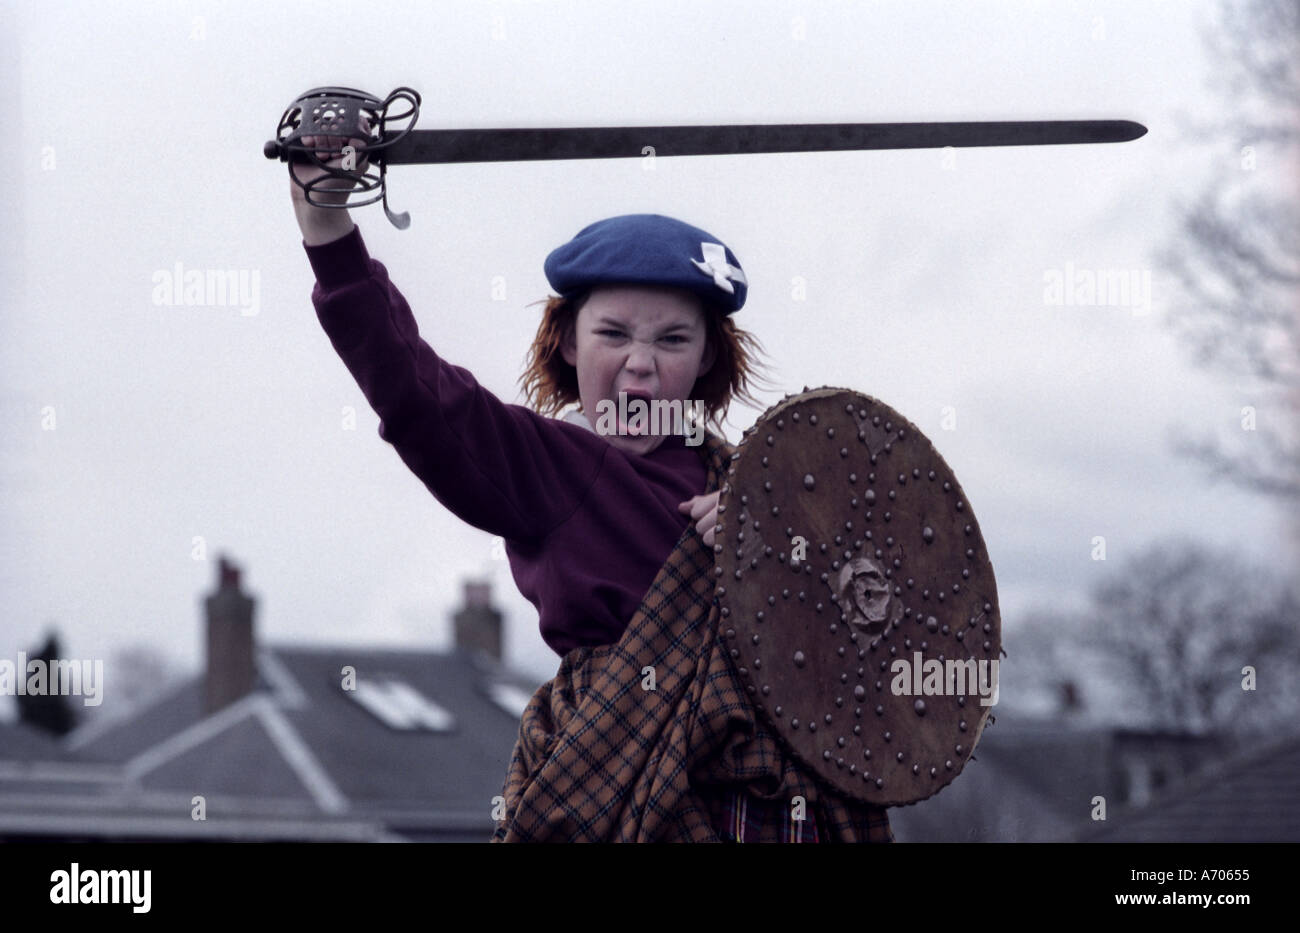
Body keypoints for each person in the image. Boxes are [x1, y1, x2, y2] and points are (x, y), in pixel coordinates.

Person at [288, 129, 894, 842]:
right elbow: (418, 393)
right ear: (569, 341)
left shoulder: (760, 490)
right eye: (613, 333)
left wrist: (777, 546)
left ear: (705, 357)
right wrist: (325, 224)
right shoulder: (551, 466)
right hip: (633, 809)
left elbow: (879, 623)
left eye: (672, 339)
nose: (640, 365)